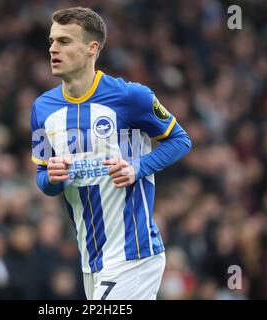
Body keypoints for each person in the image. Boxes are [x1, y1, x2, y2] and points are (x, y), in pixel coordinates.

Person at [31, 7, 192, 300]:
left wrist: (137, 167)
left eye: (64, 41)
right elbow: (43, 179)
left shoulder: (132, 97)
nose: (53, 48)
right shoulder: (43, 109)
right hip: (91, 260)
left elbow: (180, 140)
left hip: (135, 254)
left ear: (92, 48)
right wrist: (53, 179)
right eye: (52, 41)